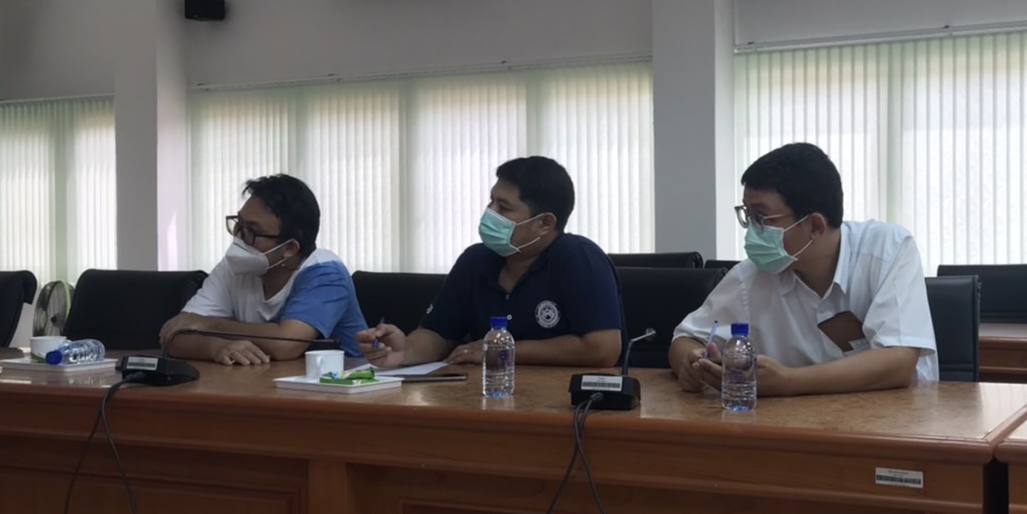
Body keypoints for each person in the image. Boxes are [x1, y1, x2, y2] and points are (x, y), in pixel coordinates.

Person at [670, 142, 937, 395]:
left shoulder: (888, 250)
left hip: (894, 417)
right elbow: (684, 340)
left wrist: (788, 381)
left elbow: (899, 362)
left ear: (815, 226)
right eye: (748, 216)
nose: (752, 230)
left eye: (761, 217)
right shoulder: (751, 275)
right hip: (790, 420)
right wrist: (694, 365)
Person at [358, 156, 623, 369]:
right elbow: (439, 333)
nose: (489, 213)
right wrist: (405, 351)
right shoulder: (475, 260)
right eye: (491, 201)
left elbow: (602, 349)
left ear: (544, 223)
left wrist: (500, 350)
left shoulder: (580, 258)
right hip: (481, 396)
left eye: (503, 208)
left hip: (566, 403)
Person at [159, 174, 366, 365]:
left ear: (289, 248)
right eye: (239, 225)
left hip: (341, 384)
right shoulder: (235, 265)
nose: (239, 239)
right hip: (261, 382)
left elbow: (286, 344)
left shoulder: (325, 272)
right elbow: (174, 335)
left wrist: (207, 325)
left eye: (252, 231)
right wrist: (216, 347)